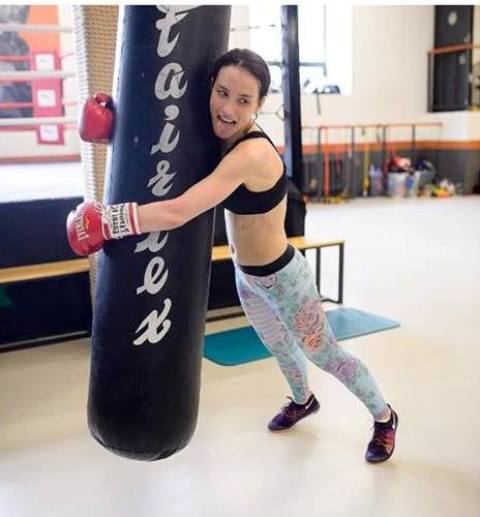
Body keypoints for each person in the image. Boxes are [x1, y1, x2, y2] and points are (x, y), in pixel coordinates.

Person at [67, 48, 398, 463]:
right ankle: (303, 401)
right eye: (222, 93)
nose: (228, 109)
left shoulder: (250, 153)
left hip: (284, 278)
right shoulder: (215, 135)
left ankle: (384, 417)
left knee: (324, 353)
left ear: (259, 104)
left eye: (243, 101)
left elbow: (179, 211)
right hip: (247, 276)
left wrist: (111, 220)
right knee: (278, 346)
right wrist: (116, 132)